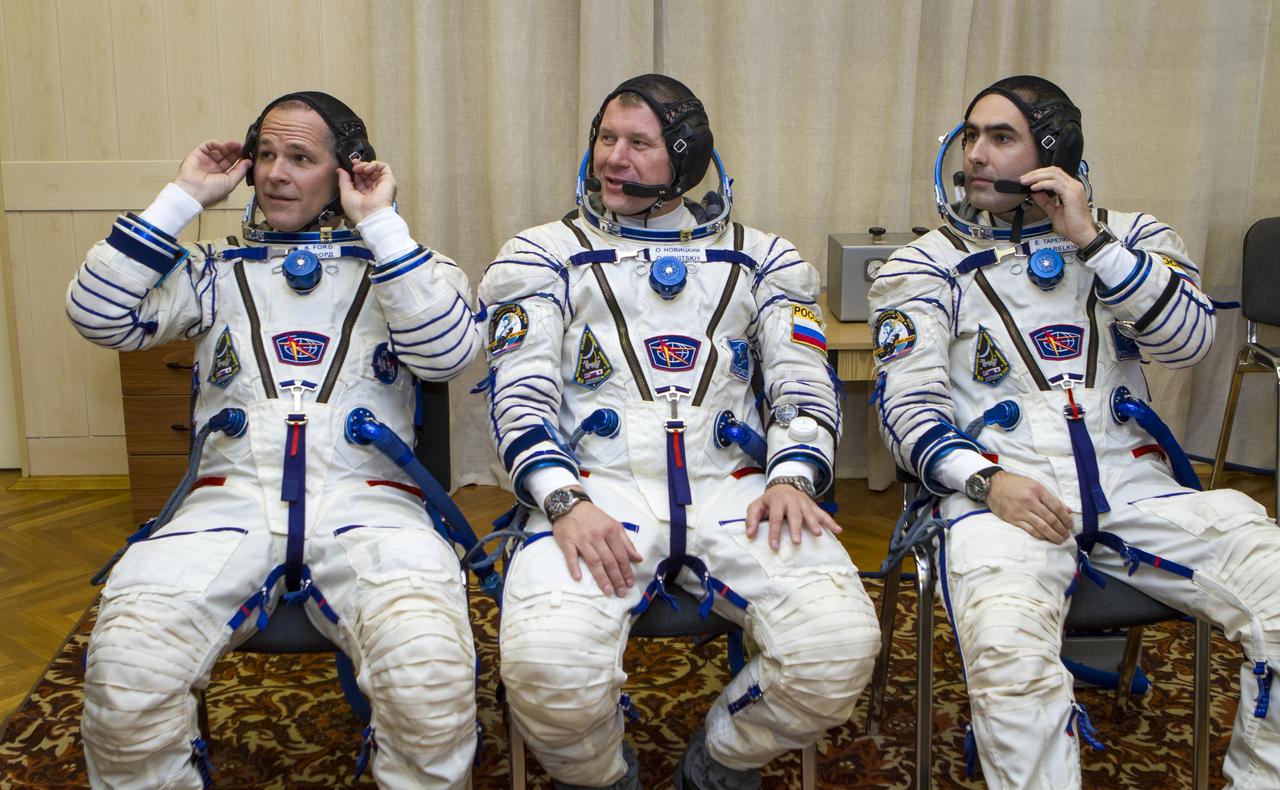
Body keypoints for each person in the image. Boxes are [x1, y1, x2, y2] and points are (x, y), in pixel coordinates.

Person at [869, 74, 1280, 788]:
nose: (977, 155)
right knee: (1010, 662)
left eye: (1001, 138)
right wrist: (986, 481)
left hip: (1137, 491)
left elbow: (1188, 343)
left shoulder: (1137, 239)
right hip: (1001, 499)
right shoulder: (921, 267)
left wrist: (1091, 239)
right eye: (971, 136)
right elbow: (906, 410)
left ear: (1051, 154)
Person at [66, 91, 481, 788]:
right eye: (265, 155)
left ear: (346, 172)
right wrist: (182, 197)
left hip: (371, 506)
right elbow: (97, 314)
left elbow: (446, 356)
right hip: (228, 505)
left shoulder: (409, 266)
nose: (274, 174)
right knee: (127, 674)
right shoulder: (214, 270)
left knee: (429, 679)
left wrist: (379, 224)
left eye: (299, 158)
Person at [477, 74, 880, 789]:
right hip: (594, 493)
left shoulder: (766, 259)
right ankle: (602, 775)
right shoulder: (541, 254)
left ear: (687, 158)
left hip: (736, 487)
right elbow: (521, 396)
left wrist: (792, 475)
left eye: (639, 143)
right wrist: (561, 500)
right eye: (606, 138)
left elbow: (804, 384)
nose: (614, 158)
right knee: (546, 667)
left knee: (840, 644)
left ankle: (720, 761)